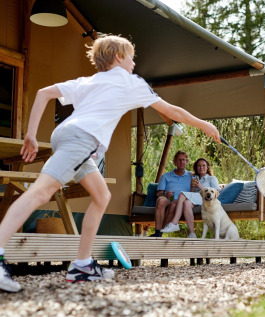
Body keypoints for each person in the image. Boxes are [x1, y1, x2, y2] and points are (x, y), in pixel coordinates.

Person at [0, 34, 220, 292]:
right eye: (132, 58)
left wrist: (31, 135)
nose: (134, 64)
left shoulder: (89, 81)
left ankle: (82, 265)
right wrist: (204, 124)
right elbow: (172, 111)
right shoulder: (131, 82)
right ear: (118, 57)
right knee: (40, 192)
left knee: (102, 194)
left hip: (69, 136)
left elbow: (43, 93)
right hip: (81, 139)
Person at [161, 157, 220, 238]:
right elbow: (192, 193)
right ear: (196, 168)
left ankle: (174, 223)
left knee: (181, 195)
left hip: (205, 199)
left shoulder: (211, 178)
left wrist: (200, 186)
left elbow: (216, 192)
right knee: (186, 203)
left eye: (203, 165)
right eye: (199, 166)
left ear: (207, 167)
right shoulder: (195, 178)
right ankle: (192, 233)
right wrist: (192, 187)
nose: (201, 167)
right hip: (196, 199)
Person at [149, 150, 193, 237]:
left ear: (186, 162)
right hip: (168, 199)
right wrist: (165, 195)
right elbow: (158, 194)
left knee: (174, 205)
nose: (181, 162)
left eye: (183, 160)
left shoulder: (192, 176)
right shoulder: (165, 176)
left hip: (181, 201)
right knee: (161, 200)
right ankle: (158, 231)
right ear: (175, 162)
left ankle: (158, 233)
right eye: (179, 160)